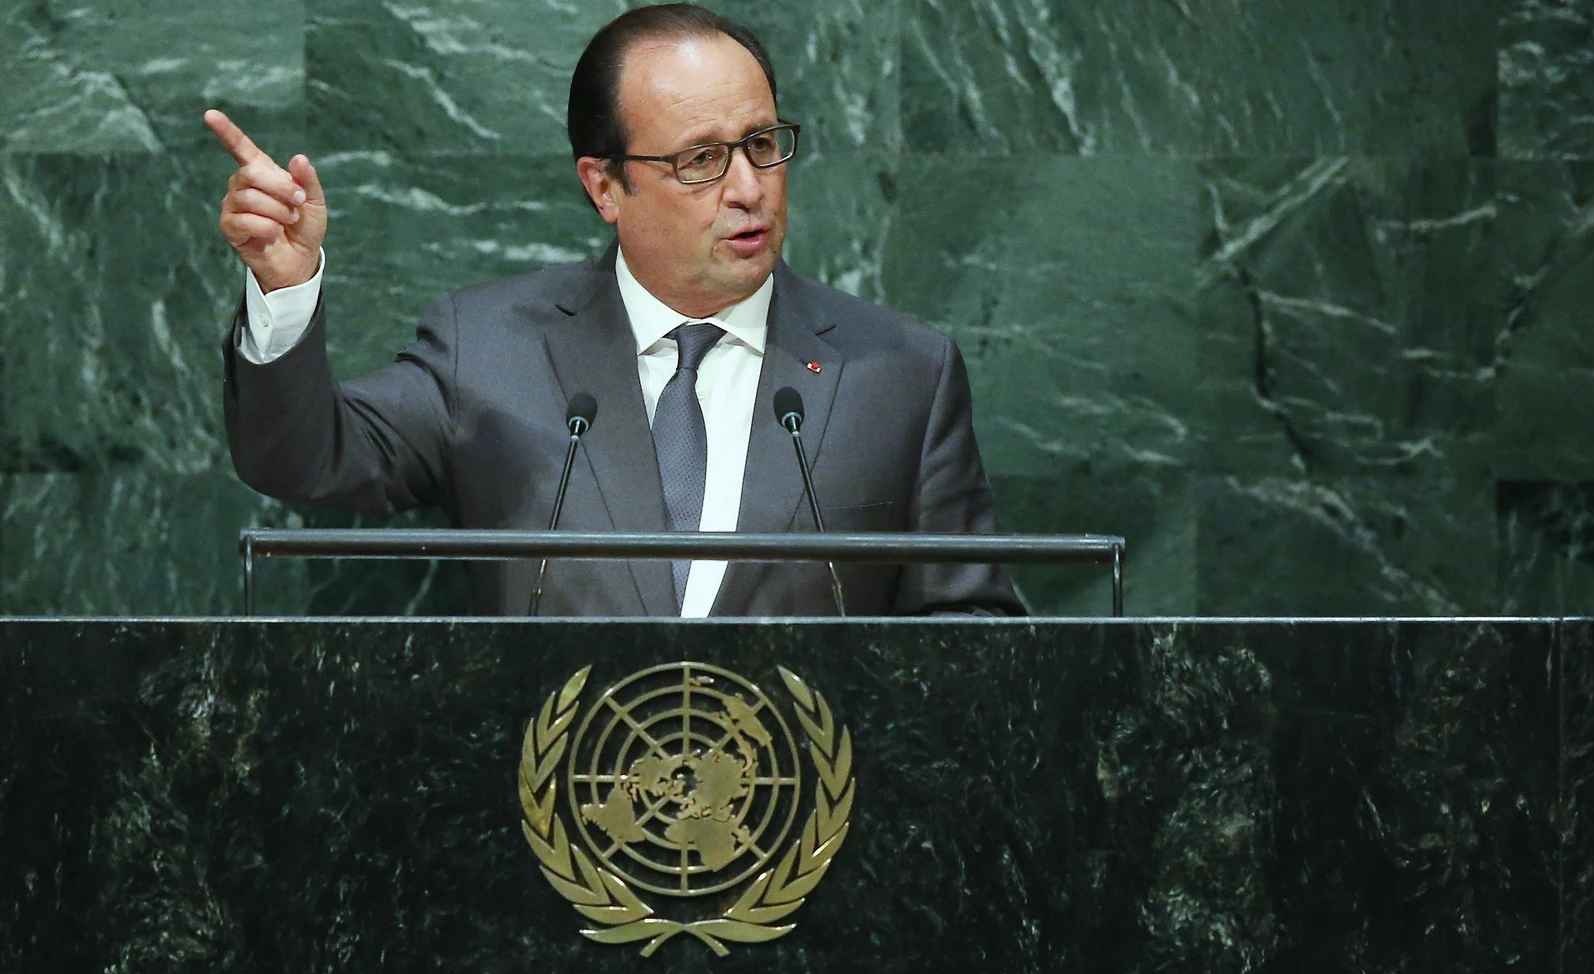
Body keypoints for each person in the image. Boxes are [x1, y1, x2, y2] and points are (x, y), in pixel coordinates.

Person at [208, 3, 1021, 617]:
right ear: (604, 186)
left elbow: (972, 633)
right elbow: (306, 459)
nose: (748, 188)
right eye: (702, 158)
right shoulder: (488, 351)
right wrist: (284, 286)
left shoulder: (900, 375)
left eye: (763, 144)